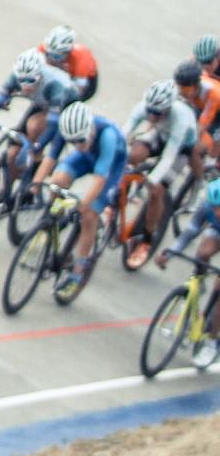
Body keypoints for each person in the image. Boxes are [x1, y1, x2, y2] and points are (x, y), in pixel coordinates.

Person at [31, 102, 127, 300]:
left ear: (90, 130)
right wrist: (37, 183)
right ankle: (53, 220)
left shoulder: (108, 136)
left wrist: (84, 204)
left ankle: (78, 271)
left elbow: (101, 178)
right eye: (73, 142)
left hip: (110, 165)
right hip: (86, 158)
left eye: (81, 140)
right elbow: (50, 158)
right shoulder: (68, 130)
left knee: (89, 214)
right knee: (57, 181)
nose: (78, 145)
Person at [0, 48, 79, 217]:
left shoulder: (55, 86)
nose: (26, 86)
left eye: (31, 81)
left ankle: (34, 185)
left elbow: (51, 127)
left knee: (34, 127)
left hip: (63, 110)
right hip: (42, 103)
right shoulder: (15, 76)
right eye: (22, 81)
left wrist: (34, 147)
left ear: (40, 75)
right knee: (13, 153)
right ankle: (5, 193)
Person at [121, 79, 199, 267]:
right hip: (161, 134)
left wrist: (153, 179)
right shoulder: (145, 107)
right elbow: (123, 132)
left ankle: (147, 240)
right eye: (150, 111)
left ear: (169, 108)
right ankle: (123, 194)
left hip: (180, 148)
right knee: (132, 155)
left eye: (157, 113)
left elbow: (169, 155)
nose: (151, 115)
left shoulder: (181, 118)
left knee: (156, 191)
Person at [155, 177, 220, 367]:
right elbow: (190, 231)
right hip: (217, 232)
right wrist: (170, 252)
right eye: (214, 207)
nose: (216, 212)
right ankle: (197, 285)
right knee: (203, 252)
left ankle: (212, 341)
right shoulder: (206, 206)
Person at [38, 25, 99, 101]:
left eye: (56, 56)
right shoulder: (42, 49)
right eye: (48, 54)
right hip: (63, 73)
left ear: (68, 52)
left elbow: (80, 89)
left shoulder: (81, 57)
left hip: (84, 80)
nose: (52, 59)